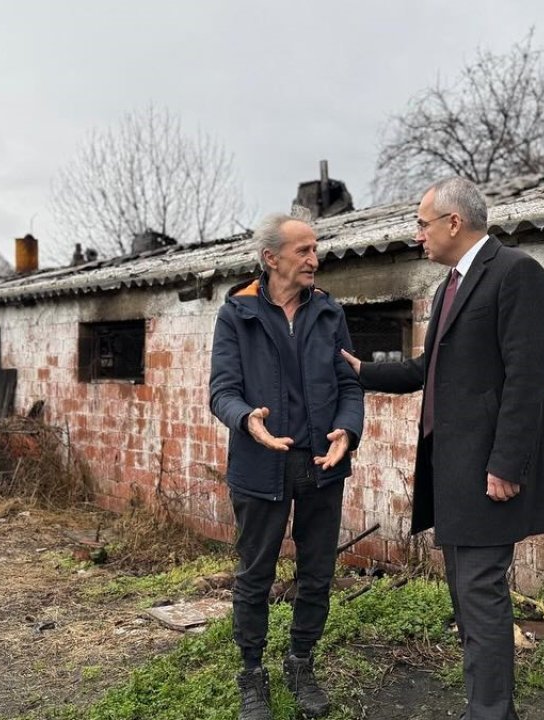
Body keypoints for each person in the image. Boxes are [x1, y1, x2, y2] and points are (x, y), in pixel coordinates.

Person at [340, 177, 544, 720]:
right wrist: (363, 371)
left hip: (490, 471)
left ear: (452, 222)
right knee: (467, 597)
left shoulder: (516, 272)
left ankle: (489, 713)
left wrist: (507, 464)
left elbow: (527, 375)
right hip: (454, 472)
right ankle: (487, 708)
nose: (416, 234)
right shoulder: (450, 286)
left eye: (421, 223)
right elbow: (429, 371)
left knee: (481, 594)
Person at [209, 213, 365, 720]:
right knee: (254, 574)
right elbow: (222, 391)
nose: (314, 260)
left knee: (317, 573)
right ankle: (251, 674)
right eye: (303, 251)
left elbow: (348, 385)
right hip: (260, 464)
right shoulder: (238, 313)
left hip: (321, 464)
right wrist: (246, 420)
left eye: (315, 249)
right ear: (271, 258)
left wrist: (348, 428)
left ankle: (301, 663)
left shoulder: (329, 313)